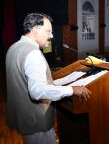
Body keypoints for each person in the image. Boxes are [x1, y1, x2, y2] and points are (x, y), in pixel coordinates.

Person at [5, 13, 91, 144]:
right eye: (48, 31)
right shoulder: (33, 53)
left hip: (23, 116)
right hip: (36, 119)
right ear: (35, 30)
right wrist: (72, 90)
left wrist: (57, 82)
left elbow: (23, 81)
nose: (51, 36)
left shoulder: (14, 47)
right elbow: (37, 91)